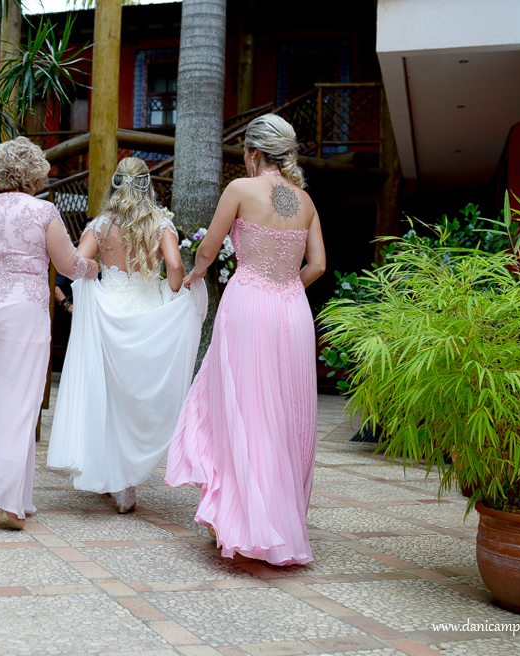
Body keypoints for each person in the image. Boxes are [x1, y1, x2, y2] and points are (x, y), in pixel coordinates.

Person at [165, 114, 326, 565]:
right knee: (283, 413)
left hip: (249, 304)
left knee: (243, 408)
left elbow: (206, 249)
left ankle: (241, 518)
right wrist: (286, 286)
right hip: (292, 312)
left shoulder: (239, 190)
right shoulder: (305, 201)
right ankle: (277, 521)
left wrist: (196, 275)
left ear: (253, 154)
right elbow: (317, 265)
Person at [0, 137, 98, 530]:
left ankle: (4, 491)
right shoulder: (43, 211)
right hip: (25, 311)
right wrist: (91, 268)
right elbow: (67, 263)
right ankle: (6, 499)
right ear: (33, 174)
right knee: (21, 402)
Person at [48, 157, 207, 513]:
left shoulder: (101, 225)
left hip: (109, 317)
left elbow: (75, 263)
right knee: (139, 401)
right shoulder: (160, 222)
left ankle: (118, 483)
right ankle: (126, 480)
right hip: (149, 318)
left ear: (116, 184)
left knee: (110, 400)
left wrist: (94, 275)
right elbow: (176, 267)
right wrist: (175, 290)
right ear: (148, 185)